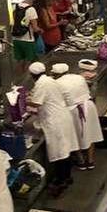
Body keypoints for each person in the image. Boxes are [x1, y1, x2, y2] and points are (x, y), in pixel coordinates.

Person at [27, 62, 78, 197]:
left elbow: (37, 103)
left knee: (59, 152)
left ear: (32, 75)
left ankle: (60, 181)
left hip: (55, 121)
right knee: (65, 150)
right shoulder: (49, 80)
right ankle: (67, 177)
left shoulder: (42, 84)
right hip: (62, 116)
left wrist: (23, 100)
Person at [51, 63, 103, 171]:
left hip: (73, 111)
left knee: (74, 136)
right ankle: (90, 161)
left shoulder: (56, 83)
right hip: (88, 106)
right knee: (90, 133)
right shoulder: (79, 77)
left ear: (55, 74)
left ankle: (81, 161)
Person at [10, 0, 43, 74]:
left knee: (19, 61)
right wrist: (40, 30)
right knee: (29, 62)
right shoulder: (31, 9)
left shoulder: (15, 6)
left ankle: (19, 81)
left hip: (16, 39)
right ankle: (26, 80)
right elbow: (35, 28)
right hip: (28, 40)